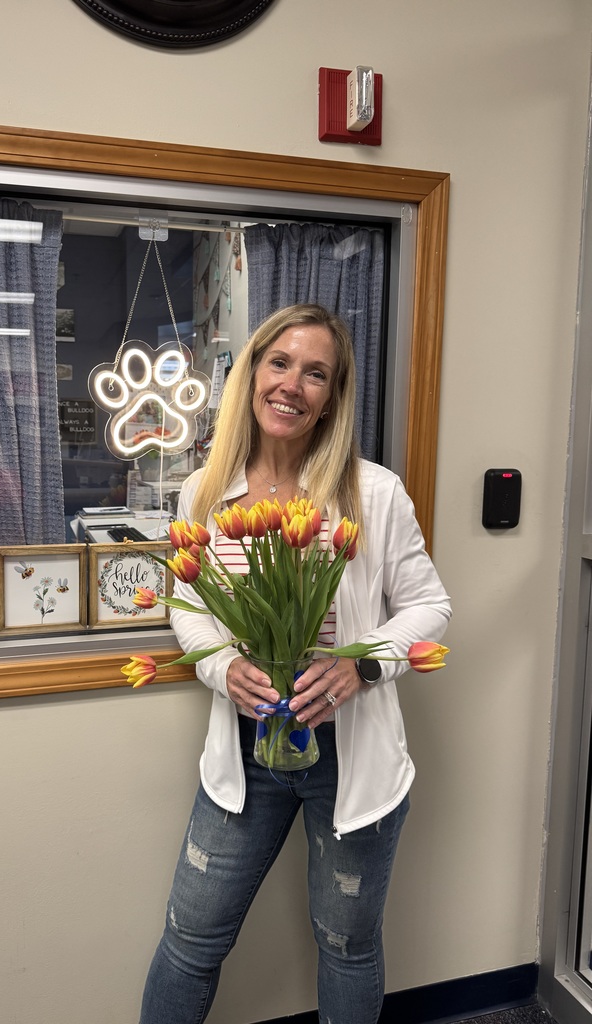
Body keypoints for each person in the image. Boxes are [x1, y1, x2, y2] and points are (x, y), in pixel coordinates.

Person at [139, 303, 451, 1024]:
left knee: (346, 943)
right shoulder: (207, 493)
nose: (293, 385)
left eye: (317, 373)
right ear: (252, 374)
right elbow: (187, 605)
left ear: (333, 397)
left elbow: (430, 607)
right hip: (247, 754)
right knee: (191, 938)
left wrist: (361, 666)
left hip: (351, 755)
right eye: (280, 363)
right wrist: (223, 669)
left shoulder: (371, 493)